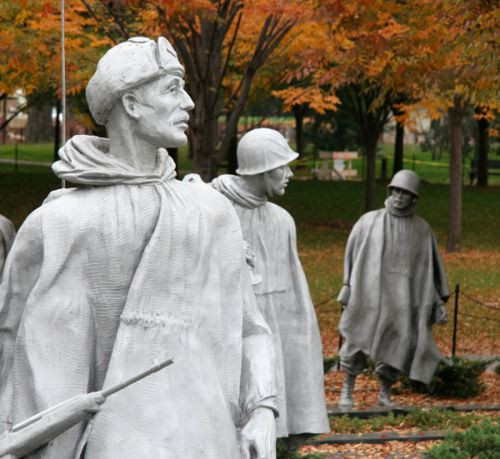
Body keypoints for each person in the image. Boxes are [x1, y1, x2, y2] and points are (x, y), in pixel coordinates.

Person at [0, 37, 277, 459]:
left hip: (209, 440)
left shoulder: (211, 211)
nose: (188, 103)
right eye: (171, 90)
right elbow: (14, 351)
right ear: (131, 104)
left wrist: (263, 408)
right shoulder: (58, 224)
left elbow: (250, 327)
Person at [209, 128, 329, 438]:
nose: (289, 174)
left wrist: (302, 340)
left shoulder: (282, 220)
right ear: (262, 169)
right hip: (231, 328)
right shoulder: (213, 207)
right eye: (282, 166)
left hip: (277, 324)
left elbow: (295, 292)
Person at [337, 170, 450, 409]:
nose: (399, 196)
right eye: (396, 191)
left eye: (405, 193)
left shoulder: (422, 230)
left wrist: (437, 302)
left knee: (398, 344)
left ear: (413, 198)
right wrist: (347, 285)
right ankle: (347, 389)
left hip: (402, 298)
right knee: (357, 339)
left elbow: (427, 270)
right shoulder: (369, 221)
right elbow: (352, 255)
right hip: (369, 293)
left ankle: (385, 392)